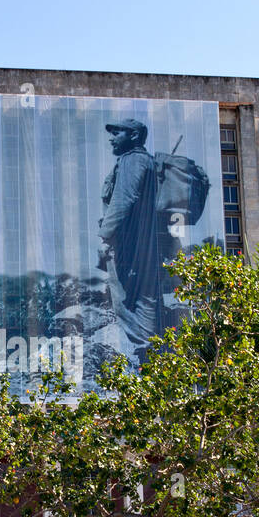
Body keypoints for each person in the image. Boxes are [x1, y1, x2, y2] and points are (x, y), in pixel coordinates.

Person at [97, 118, 164, 358]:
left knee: (129, 299)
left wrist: (105, 236)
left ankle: (147, 355)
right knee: (136, 297)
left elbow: (123, 200)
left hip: (130, 244)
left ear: (134, 135)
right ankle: (148, 353)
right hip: (137, 242)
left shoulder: (133, 160)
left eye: (118, 132)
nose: (112, 137)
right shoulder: (142, 161)